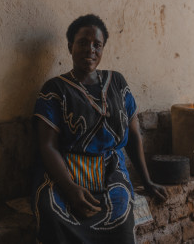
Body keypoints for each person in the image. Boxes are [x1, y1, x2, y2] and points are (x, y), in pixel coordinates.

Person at [32, 14, 168, 244]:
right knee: (53, 212)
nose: (90, 49)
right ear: (70, 46)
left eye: (97, 44)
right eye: (83, 42)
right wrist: (71, 188)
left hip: (109, 171)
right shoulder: (54, 90)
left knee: (120, 214)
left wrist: (147, 181)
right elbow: (47, 146)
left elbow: (134, 136)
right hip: (64, 172)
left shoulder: (117, 83)